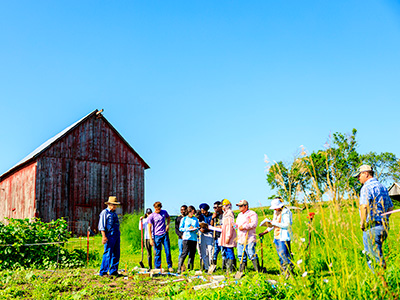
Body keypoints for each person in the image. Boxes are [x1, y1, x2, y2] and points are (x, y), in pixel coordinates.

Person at [353, 164, 393, 270]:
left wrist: (362, 223)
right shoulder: (383, 187)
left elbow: (364, 206)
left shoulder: (366, 187)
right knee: (378, 254)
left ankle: (382, 284)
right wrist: (384, 219)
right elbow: (391, 208)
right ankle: (384, 279)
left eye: (359, 175)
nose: (358, 178)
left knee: (373, 258)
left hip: (372, 227)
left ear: (366, 174)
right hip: (384, 227)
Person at [260, 197, 293, 278]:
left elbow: (287, 225)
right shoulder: (276, 212)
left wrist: (275, 223)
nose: (274, 209)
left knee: (284, 255)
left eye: (275, 207)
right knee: (280, 256)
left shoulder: (286, 212)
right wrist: (265, 231)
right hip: (277, 236)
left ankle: (288, 272)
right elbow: (273, 224)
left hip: (283, 236)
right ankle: (283, 272)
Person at [147, 201, 173, 272]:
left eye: (158, 209)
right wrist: (151, 239)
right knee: (157, 252)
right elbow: (149, 227)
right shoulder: (151, 216)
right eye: (155, 208)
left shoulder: (164, 212)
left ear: (160, 208)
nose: (157, 210)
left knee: (167, 251)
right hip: (156, 235)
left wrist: (167, 225)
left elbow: (168, 218)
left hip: (164, 234)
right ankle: (157, 267)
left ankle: (170, 266)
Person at [98, 196, 121, 277]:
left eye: (115, 205)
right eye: (113, 205)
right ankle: (103, 272)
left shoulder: (114, 214)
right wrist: (104, 236)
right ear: (109, 204)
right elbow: (102, 226)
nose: (114, 206)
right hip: (109, 235)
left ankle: (114, 271)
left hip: (116, 235)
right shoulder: (104, 213)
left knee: (116, 253)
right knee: (108, 253)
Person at [235, 200, 259, 272]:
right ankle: (242, 270)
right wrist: (234, 225)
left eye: (241, 206)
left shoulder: (252, 214)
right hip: (240, 237)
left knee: (251, 253)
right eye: (239, 206)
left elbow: (254, 224)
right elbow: (237, 225)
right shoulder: (239, 215)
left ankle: (258, 270)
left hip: (249, 237)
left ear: (246, 206)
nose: (239, 207)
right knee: (240, 255)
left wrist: (244, 226)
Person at [177, 205, 199, 272]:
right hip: (186, 238)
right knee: (185, 252)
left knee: (192, 254)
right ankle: (179, 267)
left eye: (193, 212)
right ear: (188, 212)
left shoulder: (195, 219)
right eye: (191, 212)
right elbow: (181, 228)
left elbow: (197, 228)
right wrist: (188, 229)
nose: (192, 214)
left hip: (193, 238)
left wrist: (195, 229)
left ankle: (190, 269)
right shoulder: (184, 219)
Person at [220, 199, 237, 272]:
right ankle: (228, 268)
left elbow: (230, 226)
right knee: (226, 251)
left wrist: (228, 237)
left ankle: (231, 269)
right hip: (224, 234)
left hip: (228, 235)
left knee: (229, 251)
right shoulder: (225, 214)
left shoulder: (229, 214)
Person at [198, 203, 213, 271]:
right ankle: (206, 267)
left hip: (210, 234)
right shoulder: (201, 216)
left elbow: (211, 226)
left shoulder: (211, 216)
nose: (202, 212)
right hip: (203, 234)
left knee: (210, 250)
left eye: (203, 210)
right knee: (204, 251)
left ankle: (211, 266)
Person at [210, 200, 225, 268]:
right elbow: (211, 225)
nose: (215, 209)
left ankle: (224, 267)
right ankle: (213, 267)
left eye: (216, 207)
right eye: (214, 208)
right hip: (215, 236)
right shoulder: (215, 215)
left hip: (222, 236)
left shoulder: (224, 215)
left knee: (223, 252)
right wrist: (213, 218)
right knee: (214, 252)